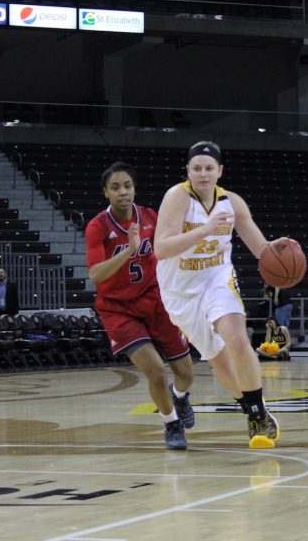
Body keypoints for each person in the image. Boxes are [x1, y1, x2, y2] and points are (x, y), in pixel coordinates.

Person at [155, 141, 284, 449]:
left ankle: (258, 416)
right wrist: (205, 229)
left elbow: (260, 248)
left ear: (220, 171)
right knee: (220, 362)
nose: (203, 174)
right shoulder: (177, 197)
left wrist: (277, 252)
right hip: (180, 291)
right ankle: (250, 408)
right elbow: (161, 249)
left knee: (237, 337)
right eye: (197, 168)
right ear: (187, 171)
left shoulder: (233, 203)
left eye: (209, 168)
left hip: (216, 278)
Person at [85, 162, 196, 450]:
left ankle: (180, 398)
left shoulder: (150, 216)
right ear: (105, 193)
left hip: (156, 301)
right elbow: (95, 274)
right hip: (118, 309)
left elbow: (168, 250)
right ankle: (171, 423)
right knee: (156, 371)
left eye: (127, 186)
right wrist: (130, 251)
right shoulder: (97, 227)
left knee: (186, 373)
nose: (123, 192)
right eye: (115, 187)